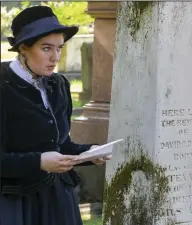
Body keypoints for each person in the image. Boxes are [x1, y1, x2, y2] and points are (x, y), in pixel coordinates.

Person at [0, 6, 110, 225]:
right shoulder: (3, 86)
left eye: (59, 48)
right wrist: (38, 162)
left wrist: (89, 152)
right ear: (23, 48)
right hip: (16, 203)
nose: (55, 57)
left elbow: (61, 144)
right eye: (46, 48)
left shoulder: (58, 85)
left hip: (58, 199)